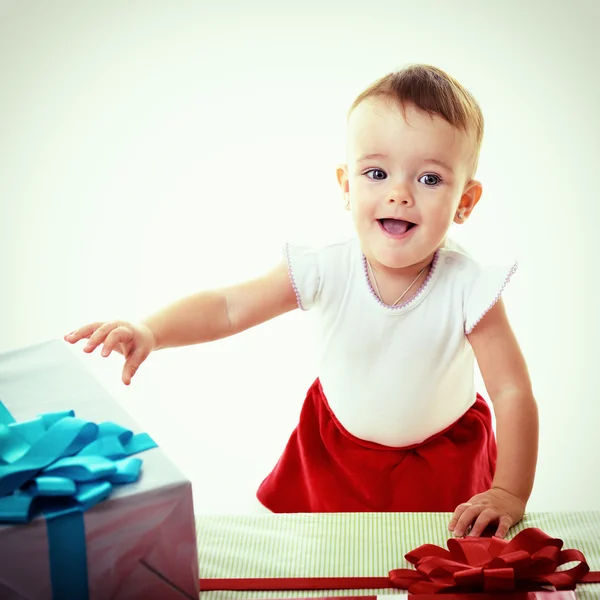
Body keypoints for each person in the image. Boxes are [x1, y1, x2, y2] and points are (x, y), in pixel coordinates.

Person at [65, 64, 538, 539]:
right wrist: (151, 331)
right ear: (347, 187)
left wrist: (508, 493)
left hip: (443, 456)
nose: (399, 194)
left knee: (438, 561)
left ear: (466, 201)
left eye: (430, 180)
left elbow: (512, 392)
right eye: (376, 172)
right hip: (337, 453)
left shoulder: (468, 285)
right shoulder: (326, 267)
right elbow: (230, 306)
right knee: (328, 559)